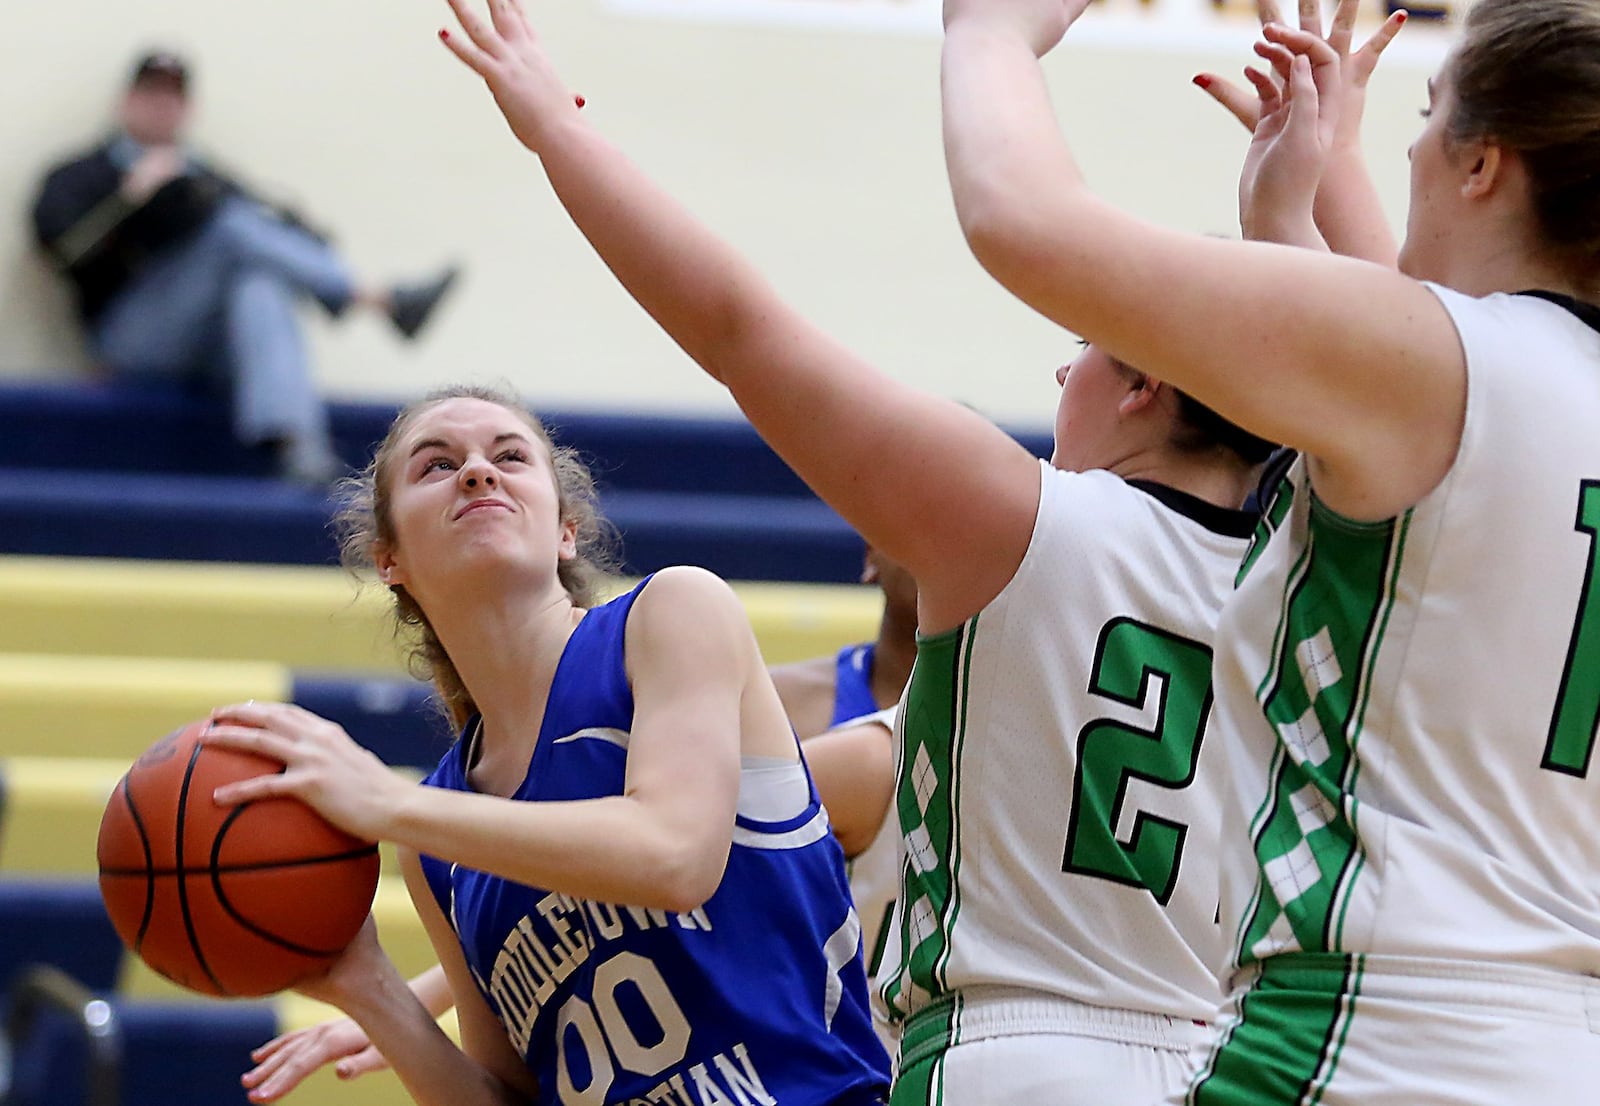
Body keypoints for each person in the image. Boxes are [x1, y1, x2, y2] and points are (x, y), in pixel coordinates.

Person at [431, 1, 1278, 1102]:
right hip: (1228, 1060)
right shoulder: (1308, 584)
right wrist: (1291, 213)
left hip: (1010, 1053)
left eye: (1083, 352)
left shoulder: (1027, 522)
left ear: (1146, 381)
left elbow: (740, 328)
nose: (1061, 379)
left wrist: (558, 129)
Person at [937, 0, 1600, 1101]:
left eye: (1427, 116)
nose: (1399, 147)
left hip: (1368, 1035)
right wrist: (1297, 199)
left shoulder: (1440, 371)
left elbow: (1021, 217)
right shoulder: (1490, 394)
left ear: (1483, 162)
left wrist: (987, 34)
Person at [203, 385, 892, 1106]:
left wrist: (389, 803)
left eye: (508, 456)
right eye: (437, 466)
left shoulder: (671, 614)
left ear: (565, 531)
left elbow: (673, 855)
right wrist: (370, 989)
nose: (477, 472)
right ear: (389, 560)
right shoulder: (435, 835)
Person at [30, 50, 461, 485]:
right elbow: (63, 253)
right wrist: (129, 199)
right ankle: (377, 299)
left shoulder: (205, 175)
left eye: (171, 98)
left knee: (259, 280)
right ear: (126, 102)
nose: (161, 107)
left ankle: (299, 449)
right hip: (128, 340)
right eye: (150, 95)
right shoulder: (81, 173)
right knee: (230, 227)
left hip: (212, 347)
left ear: (186, 109)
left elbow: (285, 230)